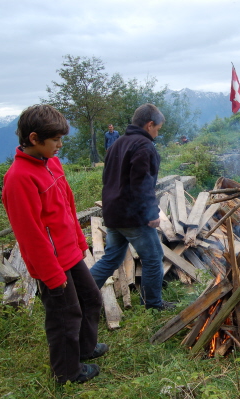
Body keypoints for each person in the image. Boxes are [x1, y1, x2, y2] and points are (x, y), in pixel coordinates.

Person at [2, 104, 107, 384]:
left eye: (62, 139)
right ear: (34, 138)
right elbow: (30, 234)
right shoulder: (19, 178)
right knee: (65, 316)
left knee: (91, 299)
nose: (60, 145)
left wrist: (78, 242)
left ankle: (84, 349)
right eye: (55, 140)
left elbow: (67, 207)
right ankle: (66, 372)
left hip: (69, 252)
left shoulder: (52, 164)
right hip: (50, 262)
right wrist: (50, 273)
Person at [90, 103, 175, 311]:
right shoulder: (144, 147)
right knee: (153, 258)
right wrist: (152, 213)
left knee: (111, 258)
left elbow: (106, 178)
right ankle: (153, 305)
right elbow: (142, 184)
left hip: (113, 213)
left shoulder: (118, 144)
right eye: (157, 129)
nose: (157, 134)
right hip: (132, 216)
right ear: (149, 124)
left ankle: (81, 294)